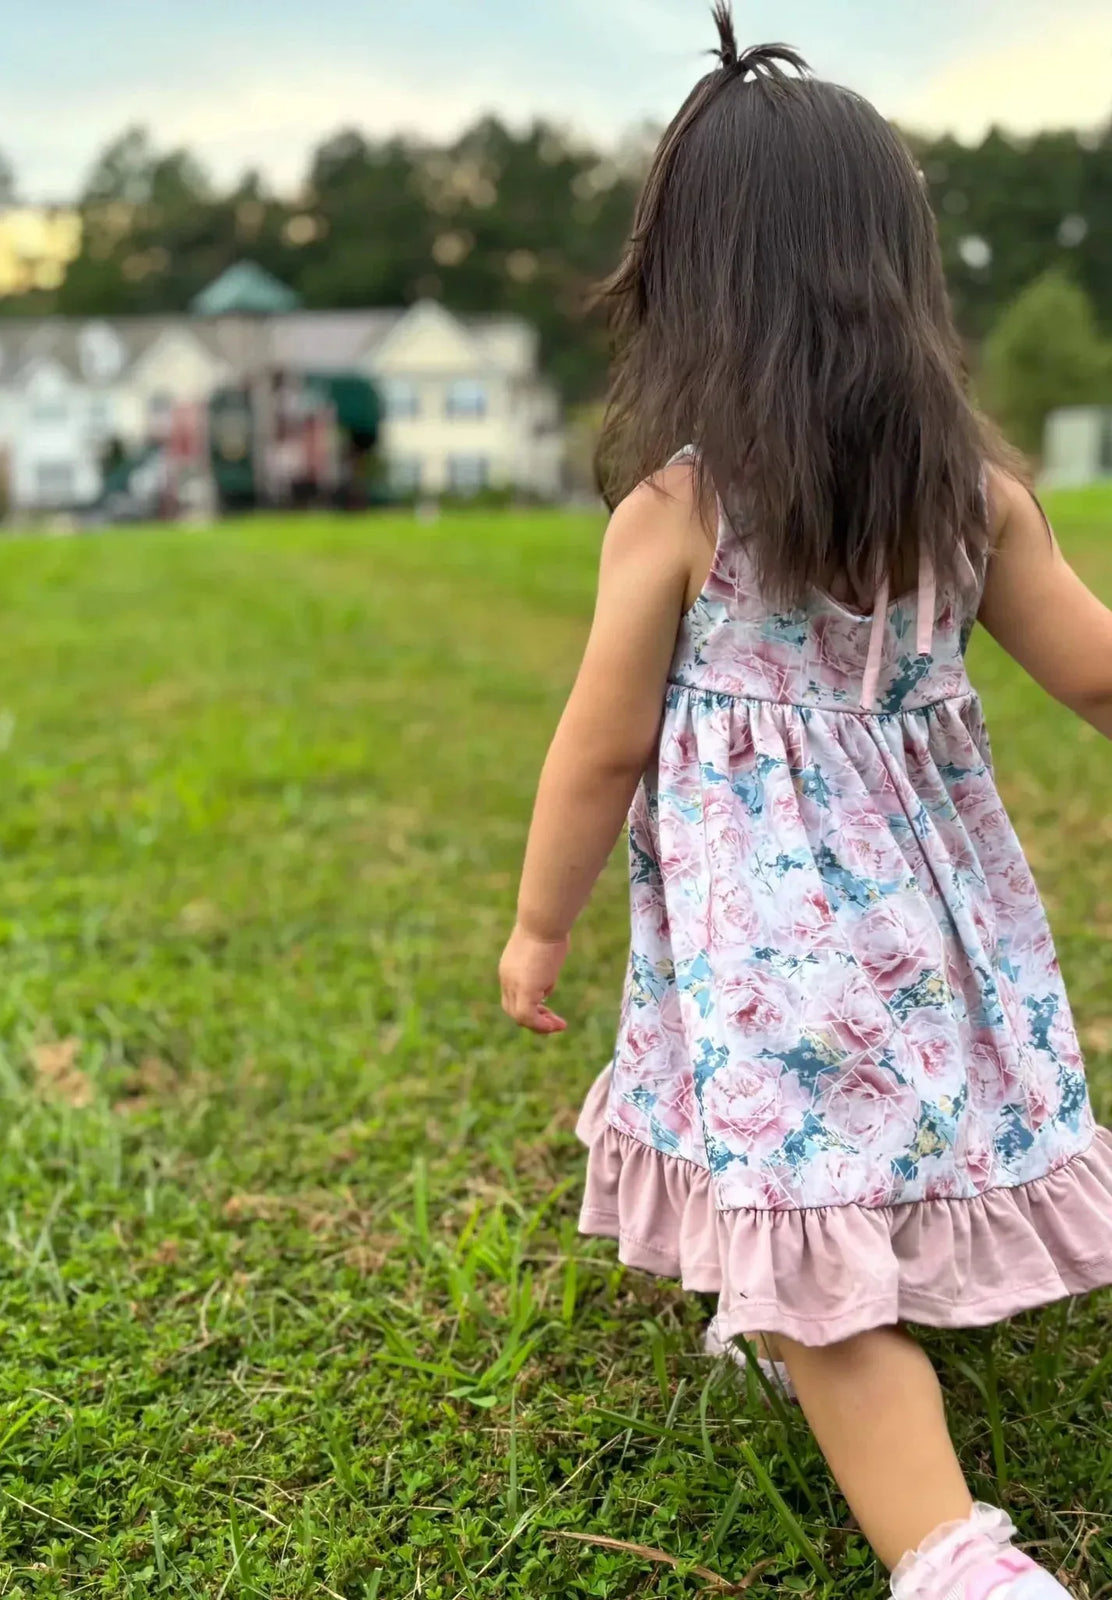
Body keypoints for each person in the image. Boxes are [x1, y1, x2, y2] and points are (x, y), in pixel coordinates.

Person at [498, 8, 1112, 1598]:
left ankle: (954, 1556)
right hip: (933, 928)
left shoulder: (681, 509)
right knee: (858, 1149)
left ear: (692, 286)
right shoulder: (971, 499)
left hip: (772, 948)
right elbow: (1102, 677)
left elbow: (599, 748)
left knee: (819, 1244)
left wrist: (536, 923)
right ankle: (788, 1313)